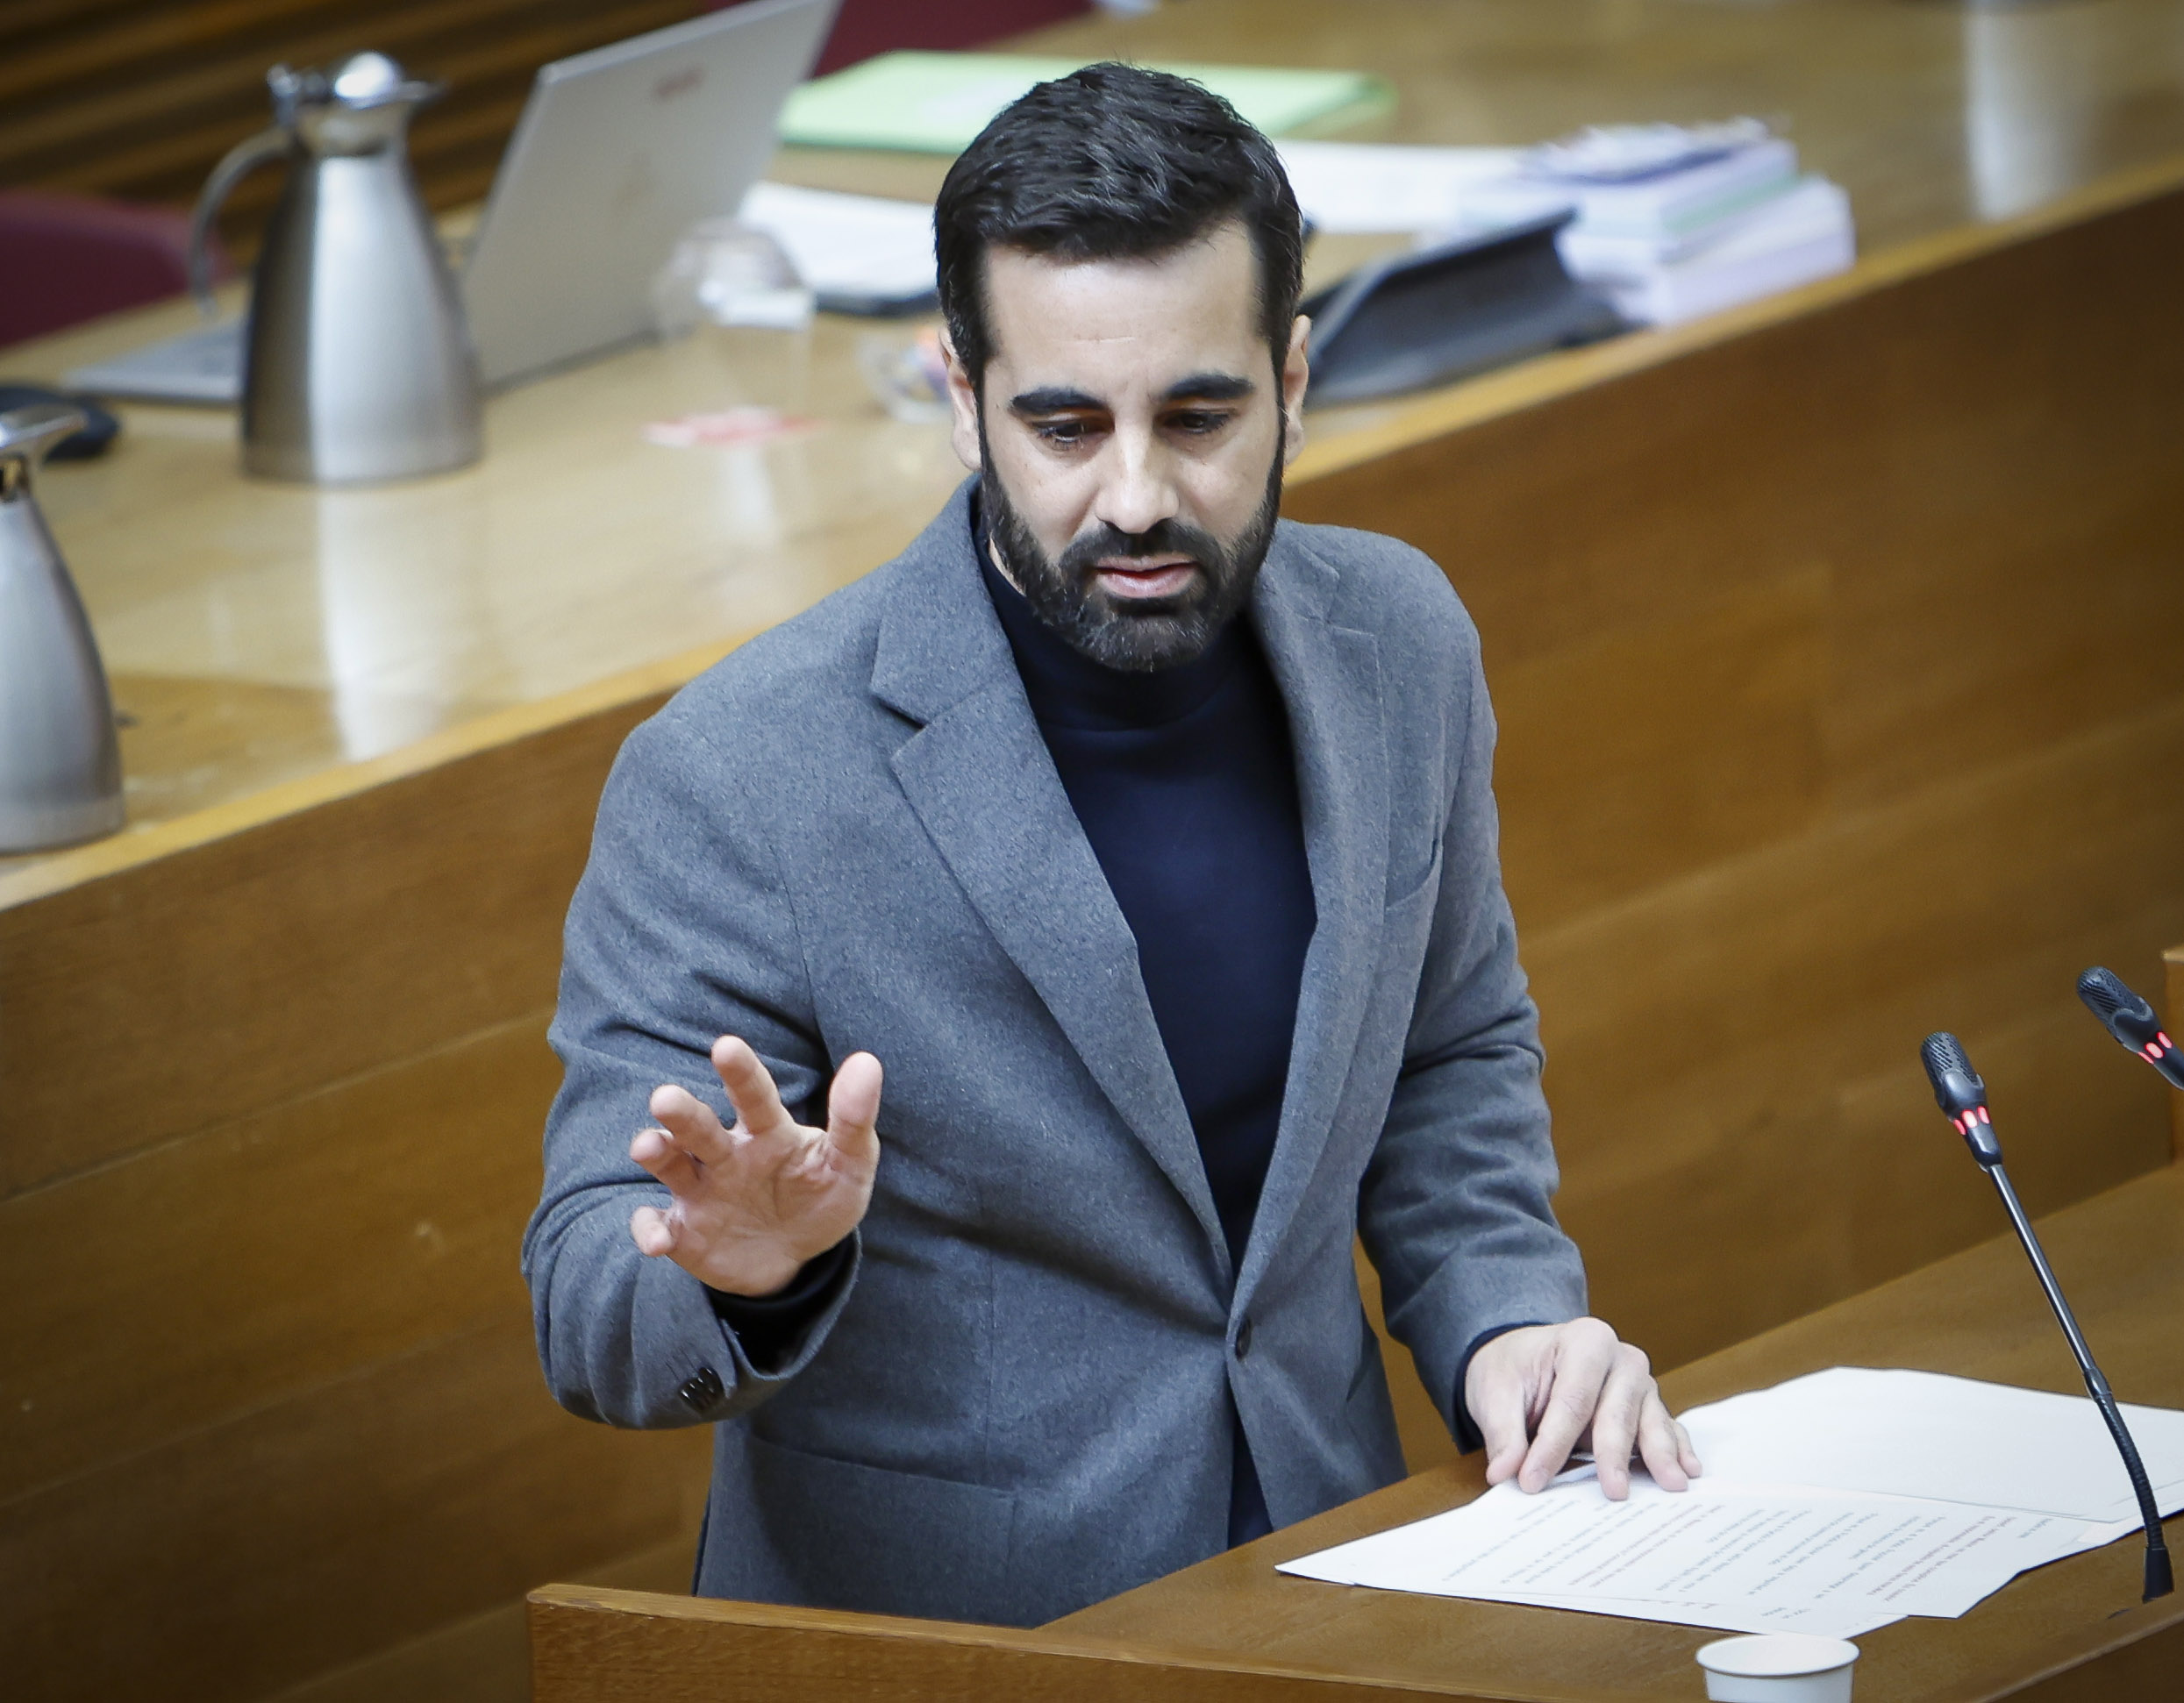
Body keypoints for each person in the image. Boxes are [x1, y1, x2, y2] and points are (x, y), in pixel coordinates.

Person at [522, 62, 1698, 1628]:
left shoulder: (1399, 641)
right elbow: (588, 1297)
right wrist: (742, 1263)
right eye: (1063, 424)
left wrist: (1504, 1322)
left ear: (1293, 379)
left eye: (1198, 415)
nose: (1134, 495)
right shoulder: (739, 770)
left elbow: (1444, 1052)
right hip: (952, 1642)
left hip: (1326, 1580)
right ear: (960, 397)